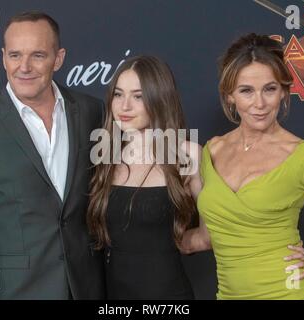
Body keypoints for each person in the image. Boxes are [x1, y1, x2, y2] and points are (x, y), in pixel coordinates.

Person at [181, 33, 304, 300]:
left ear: (283, 91)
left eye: (269, 89)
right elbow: (206, 236)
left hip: (291, 293)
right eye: (246, 91)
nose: (259, 103)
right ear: (230, 95)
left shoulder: (303, 156)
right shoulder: (212, 150)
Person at [0, 11, 105, 299]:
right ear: (4, 57)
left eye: (37, 55)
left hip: (87, 286)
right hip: (18, 291)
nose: (24, 67)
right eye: (15, 55)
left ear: (58, 59)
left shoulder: (91, 112)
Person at [87, 55, 202, 299]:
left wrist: (174, 244)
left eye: (138, 97)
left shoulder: (187, 154)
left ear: (159, 98)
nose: (124, 106)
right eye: (118, 94)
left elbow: (214, 231)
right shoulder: (105, 155)